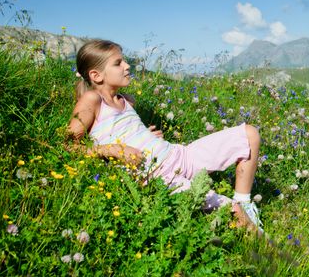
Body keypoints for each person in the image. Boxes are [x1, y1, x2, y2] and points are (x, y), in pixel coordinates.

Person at [68, 39, 263, 233]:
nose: (127, 66)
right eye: (118, 63)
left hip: (179, 156)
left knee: (249, 134)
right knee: (233, 212)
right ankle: (270, 254)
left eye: (124, 60)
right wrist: (112, 150)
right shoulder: (92, 100)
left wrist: (146, 136)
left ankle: (244, 202)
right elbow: (67, 146)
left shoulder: (126, 100)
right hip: (160, 176)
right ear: (96, 75)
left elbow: (123, 131)